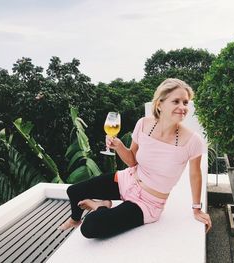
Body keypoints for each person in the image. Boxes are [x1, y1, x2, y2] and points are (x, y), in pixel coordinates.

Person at [59, 78, 212, 238]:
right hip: (128, 180)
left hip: (148, 203)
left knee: (90, 226)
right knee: (74, 191)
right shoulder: (143, 124)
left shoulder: (192, 140)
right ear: (160, 104)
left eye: (185, 103)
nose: (182, 107)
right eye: (176, 101)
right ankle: (75, 219)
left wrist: (196, 209)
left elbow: (195, 175)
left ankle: (101, 205)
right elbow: (132, 160)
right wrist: (118, 146)